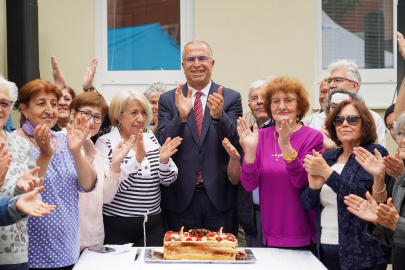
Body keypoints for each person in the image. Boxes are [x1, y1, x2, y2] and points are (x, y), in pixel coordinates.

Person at [156, 40, 242, 235]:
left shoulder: (230, 97)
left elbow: (237, 142)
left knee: (221, 257)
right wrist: (181, 117)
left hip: (220, 197)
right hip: (180, 197)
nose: (196, 64)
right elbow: (162, 142)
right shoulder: (169, 99)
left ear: (211, 64)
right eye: (190, 59)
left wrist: (220, 117)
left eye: (202, 58)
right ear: (183, 66)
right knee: (182, 257)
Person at [14, 79, 97, 269]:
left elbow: (88, 185)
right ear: (25, 110)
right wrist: (45, 154)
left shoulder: (64, 138)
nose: (49, 110)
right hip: (32, 252)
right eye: (41, 103)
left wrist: (76, 152)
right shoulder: (14, 142)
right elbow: (24, 193)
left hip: (68, 248)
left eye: (53, 104)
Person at [300, 100, 391, 270]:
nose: (345, 124)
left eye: (353, 119)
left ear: (365, 125)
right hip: (326, 245)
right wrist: (313, 188)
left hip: (364, 251)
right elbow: (307, 204)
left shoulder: (374, 152)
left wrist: (328, 174)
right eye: (339, 120)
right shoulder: (328, 158)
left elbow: (360, 198)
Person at [239, 76, 323, 250]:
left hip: (301, 232)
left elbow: (300, 181)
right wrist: (250, 152)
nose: (282, 106)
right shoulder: (259, 136)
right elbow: (249, 185)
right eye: (275, 101)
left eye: (289, 100)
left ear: (299, 108)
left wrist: (285, 147)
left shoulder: (313, 137)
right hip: (269, 232)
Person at [96, 89, 181, 246]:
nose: (140, 118)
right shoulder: (105, 143)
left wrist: (164, 161)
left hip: (152, 225)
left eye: (143, 112)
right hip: (116, 226)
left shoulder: (150, 139)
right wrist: (136, 160)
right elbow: (112, 190)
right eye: (133, 113)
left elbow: (167, 180)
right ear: (118, 116)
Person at [68, 91, 133, 251]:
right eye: (86, 114)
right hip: (66, 240)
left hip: (93, 239)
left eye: (97, 117)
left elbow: (106, 198)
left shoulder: (95, 150)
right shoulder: (57, 144)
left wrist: (115, 166)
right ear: (72, 113)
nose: (91, 121)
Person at [0, 76, 51, 270]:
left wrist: (25, 188)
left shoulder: (20, 145)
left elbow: (28, 196)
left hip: (16, 253)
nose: (0, 108)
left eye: (4, 103)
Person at [344, 112, 405, 270]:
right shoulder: (399, 175)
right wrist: (380, 221)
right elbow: (396, 239)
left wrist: (396, 224)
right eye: (401, 133)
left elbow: (399, 227)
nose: (402, 140)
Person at [237, 80, 272, 247]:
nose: (259, 101)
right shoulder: (245, 133)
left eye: (264, 97)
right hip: (252, 214)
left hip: (275, 213)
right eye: (254, 98)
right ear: (249, 105)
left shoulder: (283, 133)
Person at [323, 59, 386, 147]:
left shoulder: (372, 118)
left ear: (354, 86)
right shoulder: (319, 119)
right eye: (329, 81)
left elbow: (379, 154)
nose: (331, 85)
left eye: (338, 80)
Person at [317, 88, 364, 153]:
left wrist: (335, 146)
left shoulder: (361, 125)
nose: (338, 110)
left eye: (344, 106)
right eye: (334, 107)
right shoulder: (321, 128)